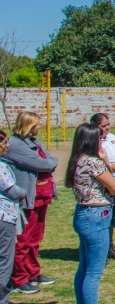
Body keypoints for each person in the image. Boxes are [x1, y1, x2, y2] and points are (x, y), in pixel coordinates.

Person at [64, 123, 115, 304]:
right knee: (94, 271)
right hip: (97, 216)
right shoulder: (93, 163)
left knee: (84, 265)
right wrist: (104, 159)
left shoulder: (76, 160)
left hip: (83, 214)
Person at [5, 111, 58, 294]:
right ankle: (19, 279)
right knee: (23, 240)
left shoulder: (34, 142)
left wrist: (50, 161)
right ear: (28, 125)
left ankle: (33, 272)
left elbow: (51, 159)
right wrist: (50, 162)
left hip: (42, 197)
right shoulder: (16, 145)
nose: (40, 127)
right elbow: (45, 164)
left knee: (35, 238)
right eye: (37, 124)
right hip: (28, 199)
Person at [89, 113, 115, 260]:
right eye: (103, 126)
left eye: (107, 125)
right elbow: (100, 165)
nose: (107, 128)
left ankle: (109, 246)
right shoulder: (93, 142)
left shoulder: (112, 138)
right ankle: (103, 248)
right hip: (105, 184)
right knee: (104, 218)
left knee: (113, 217)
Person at [0, 131, 27, 304]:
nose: (7, 146)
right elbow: (12, 190)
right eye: (4, 142)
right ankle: (2, 303)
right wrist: (24, 191)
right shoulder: (1, 167)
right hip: (3, 217)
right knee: (4, 260)